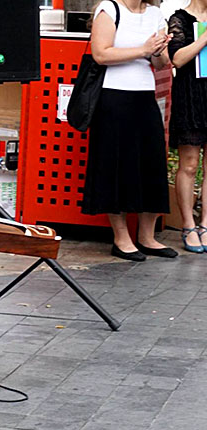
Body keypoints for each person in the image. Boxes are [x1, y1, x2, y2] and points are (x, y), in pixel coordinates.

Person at [82, 0, 178, 261]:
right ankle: (121, 237)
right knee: (116, 164)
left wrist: (158, 50)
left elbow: (161, 64)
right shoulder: (110, 9)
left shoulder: (156, 14)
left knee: (151, 163)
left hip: (145, 96)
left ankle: (147, 237)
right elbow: (100, 54)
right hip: (112, 97)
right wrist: (142, 49)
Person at [167, 0, 207, 253]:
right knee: (189, 164)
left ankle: (206, 223)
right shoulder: (179, 18)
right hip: (191, 96)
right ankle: (188, 225)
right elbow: (178, 59)